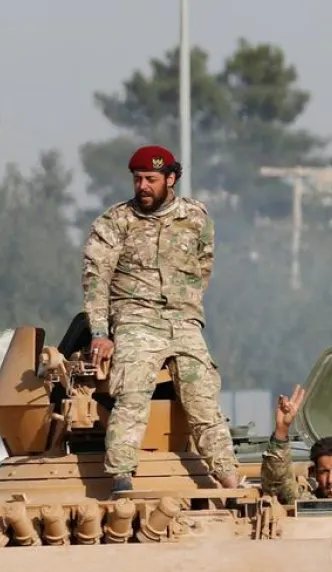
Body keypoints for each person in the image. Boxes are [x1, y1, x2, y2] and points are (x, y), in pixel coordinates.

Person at [81, 144, 239, 494]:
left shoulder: (195, 218)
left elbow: (203, 266)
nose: (142, 187)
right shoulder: (114, 222)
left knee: (204, 401)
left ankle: (229, 477)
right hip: (137, 320)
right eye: (137, 179)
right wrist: (100, 332)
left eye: (151, 179)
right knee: (132, 395)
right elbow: (96, 279)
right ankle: (121, 475)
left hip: (183, 321)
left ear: (171, 179)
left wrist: (188, 308)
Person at [260, 384, 332, 503]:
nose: (330, 480)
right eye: (324, 472)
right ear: (314, 473)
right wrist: (282, 429)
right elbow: (277, 483)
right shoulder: (304, 503)